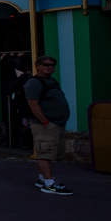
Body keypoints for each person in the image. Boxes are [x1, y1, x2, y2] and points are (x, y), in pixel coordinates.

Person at [25, 55, 73, 195]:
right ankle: (49, 184)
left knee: (51, 152)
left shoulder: (51, 81)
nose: (50, 67)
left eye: (52, 65)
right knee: (45, 153)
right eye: (46, 65)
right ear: (37, 65)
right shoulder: (34, 83)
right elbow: (33, 103)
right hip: (45, 125)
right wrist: (45, 121)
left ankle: (42, 179)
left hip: (57, 123)